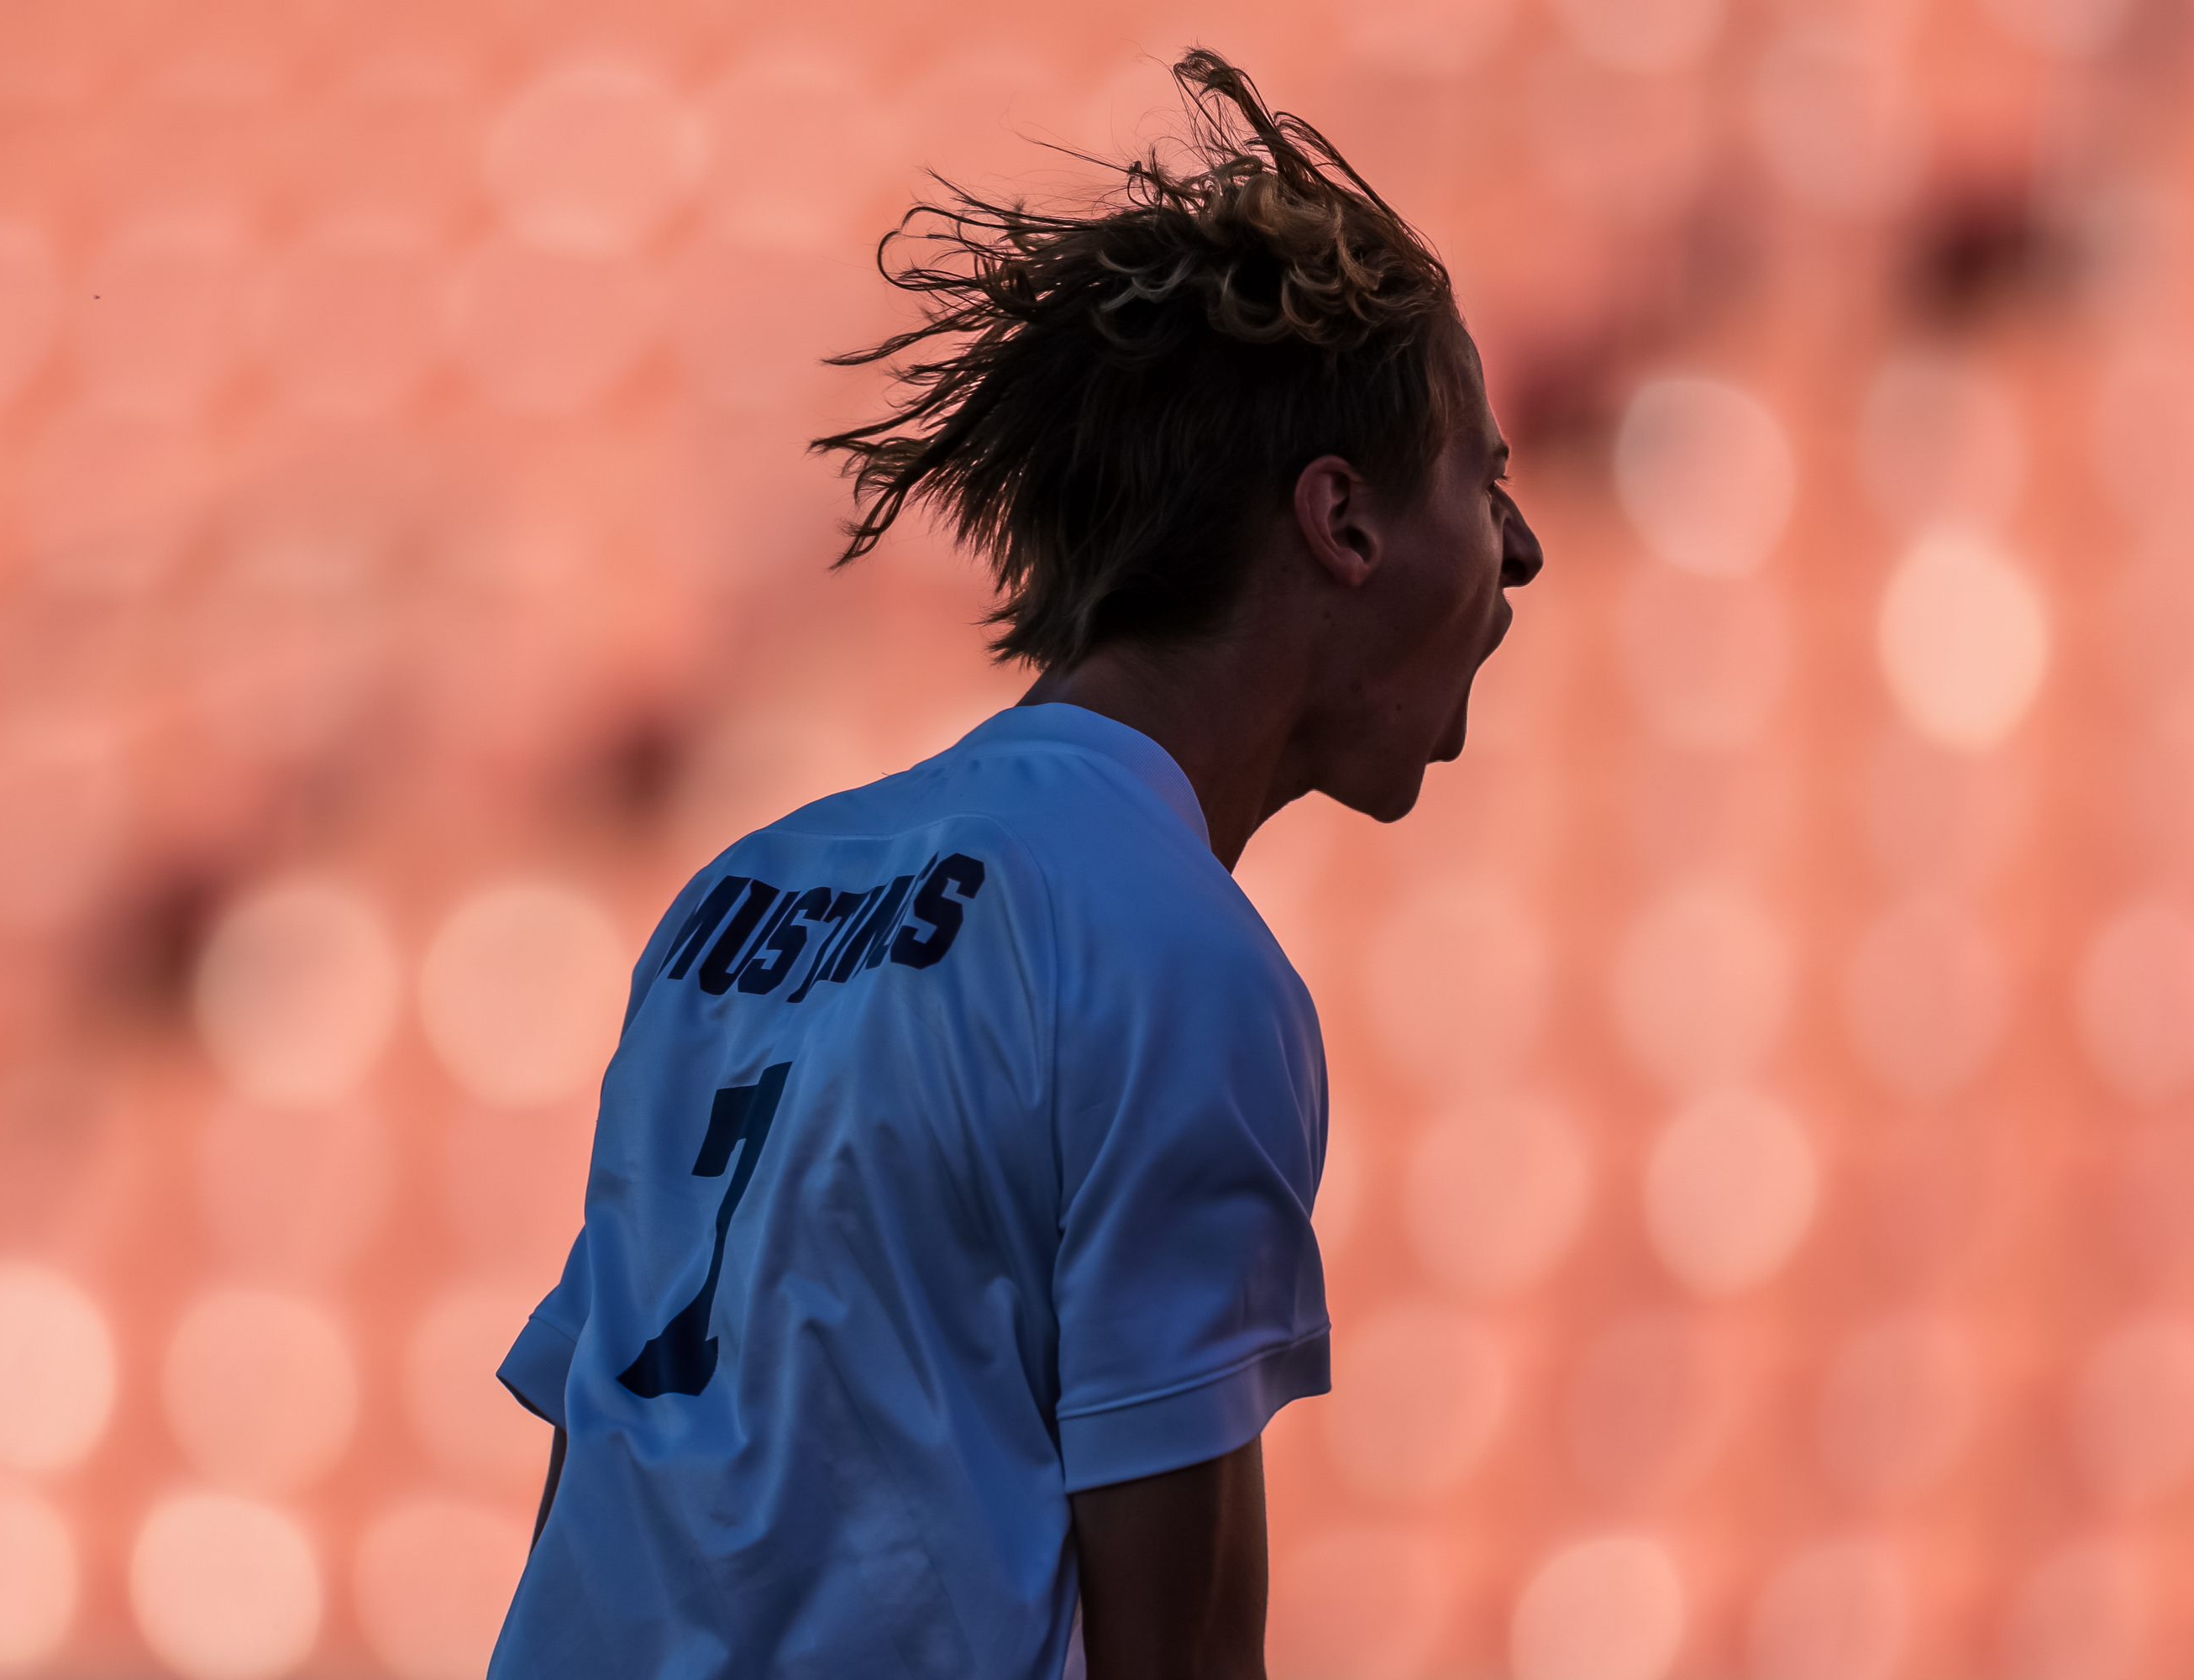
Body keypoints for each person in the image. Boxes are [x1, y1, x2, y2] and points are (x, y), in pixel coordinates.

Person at [487, 48, 1541, 1680]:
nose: (1520, 554)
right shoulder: (1163, 952)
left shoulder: (736, 900)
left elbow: (591, 1493)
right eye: (1488, 482)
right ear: (1340, 524)